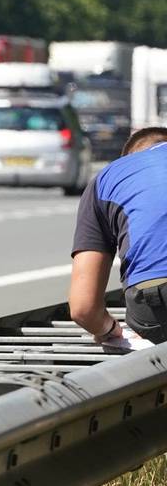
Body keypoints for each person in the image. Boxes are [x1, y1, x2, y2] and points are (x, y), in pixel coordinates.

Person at [69, 127, 167, 344]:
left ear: (130, 157)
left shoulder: (108, 178)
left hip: (155, 302)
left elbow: (83, 308)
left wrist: (107, 329)